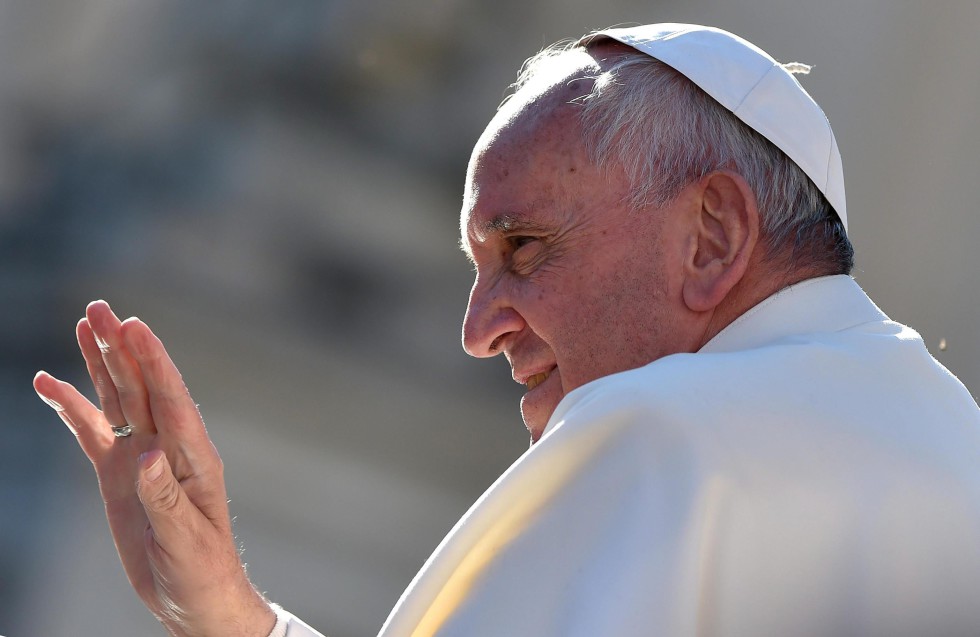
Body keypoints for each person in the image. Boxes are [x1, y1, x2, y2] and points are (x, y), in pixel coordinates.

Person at [33, 23, 980, 637]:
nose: (478, 330)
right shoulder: (954, 447)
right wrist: (235, 617)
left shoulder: (662, 435)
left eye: (524, 247)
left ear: (714, 237)